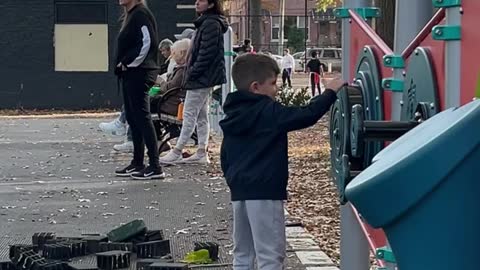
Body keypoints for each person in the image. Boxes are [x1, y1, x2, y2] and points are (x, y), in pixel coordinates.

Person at [219, 54, 344, 270]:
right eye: (273, 83)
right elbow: (306, 114)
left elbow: (225, 154)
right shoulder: (268, 111)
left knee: (243, 252)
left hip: (239, 191)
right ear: (256, 87)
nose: (277, 89)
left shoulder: (232, 116)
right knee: (270, 254)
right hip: (266, 190)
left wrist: (232, 178)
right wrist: (330, 92)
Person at [160, 0, 228, 165]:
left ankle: (177, 151)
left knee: (190, 113)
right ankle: (201, 152)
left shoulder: (210, 24)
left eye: (202, 0)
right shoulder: (208, 23)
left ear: (211, 4)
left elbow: (206, 53)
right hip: (205, 77)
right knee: (201, 116)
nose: (197, 2)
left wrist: (191, 73)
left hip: (201, 77)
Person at [114, 0, 164, 180]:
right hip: (132, 72)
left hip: (140, 72)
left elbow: (147, 43)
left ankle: (155, 166)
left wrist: (128, 63)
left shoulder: (141, 14)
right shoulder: (131, 15)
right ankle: (137, 162)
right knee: (133, 118)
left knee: (142, 117)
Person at [150, 39, 191, 116]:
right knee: (146, 96)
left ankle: (123, 123)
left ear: (182, 53)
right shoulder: (182, 68)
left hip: (168, 104)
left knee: (141, 102)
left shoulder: (182, 71)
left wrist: (161, 81)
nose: (172, 56)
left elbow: (169, 87)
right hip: (167, 98)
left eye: (174, 53)